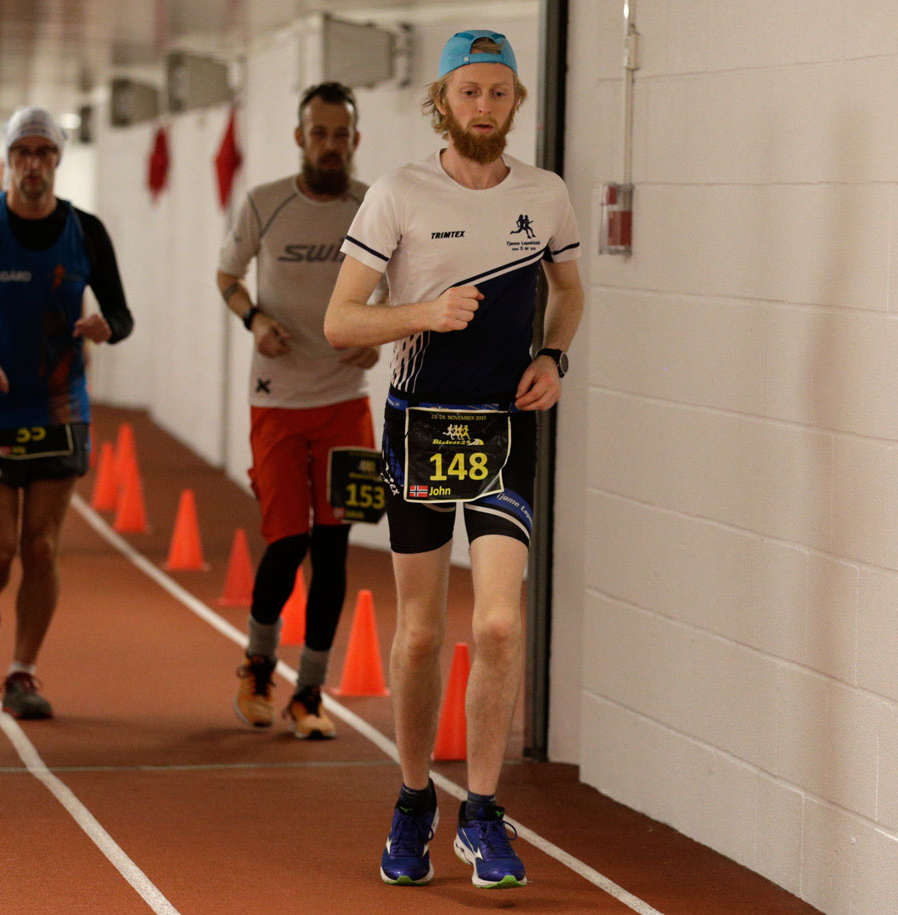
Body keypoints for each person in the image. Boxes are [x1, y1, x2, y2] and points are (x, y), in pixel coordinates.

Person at [324, 30, 584, 888]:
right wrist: (423, 313)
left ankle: (482, 811)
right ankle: (412, 800)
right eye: (469, 91)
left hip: (506, 429)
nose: (484, 106)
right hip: (422, 428)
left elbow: (570, 291)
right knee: (424, 632)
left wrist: (554, 356)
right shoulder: (399, 192)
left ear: (515, 102)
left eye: (498, 92)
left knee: (501, 623)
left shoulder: (544, 194)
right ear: (443, 100)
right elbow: (341, 319)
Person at [0, 108, 133, 720]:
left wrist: (106, 326)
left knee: (40, 548)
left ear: (58, 160)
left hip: (59, 405)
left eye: (45, 152)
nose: (33, 164)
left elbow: (122, 314)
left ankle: (22, 672)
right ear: (8, 161)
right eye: (23, 153)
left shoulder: (85, 231)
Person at [218, 82, 379, 740]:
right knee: (286, 544)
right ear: (300, 138)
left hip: (345, 403)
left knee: (334, 552)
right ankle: (258, 669)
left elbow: (402, 288)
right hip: (277, 401)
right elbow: (228, 278)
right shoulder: (265, 202)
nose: (331, 145)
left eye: (341, 135)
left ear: (355, 140)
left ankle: (309, 693)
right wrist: (255, 320)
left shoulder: (372, 207)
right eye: (320, 133)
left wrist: (376, 335)